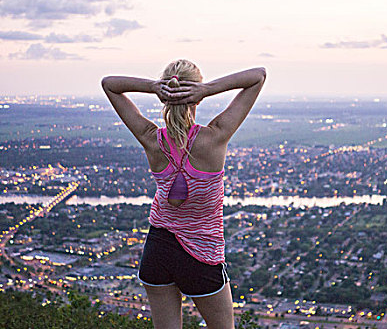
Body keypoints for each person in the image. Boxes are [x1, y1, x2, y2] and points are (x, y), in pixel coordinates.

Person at [101, 60, 266, 329]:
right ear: (196, 97)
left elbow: (109, 84)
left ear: (164, 97)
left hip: (158, 250)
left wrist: (154, 87)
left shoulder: (151, 139)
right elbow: (258, 75)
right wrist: (208, 89)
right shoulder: (215, 137)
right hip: (202, 254)